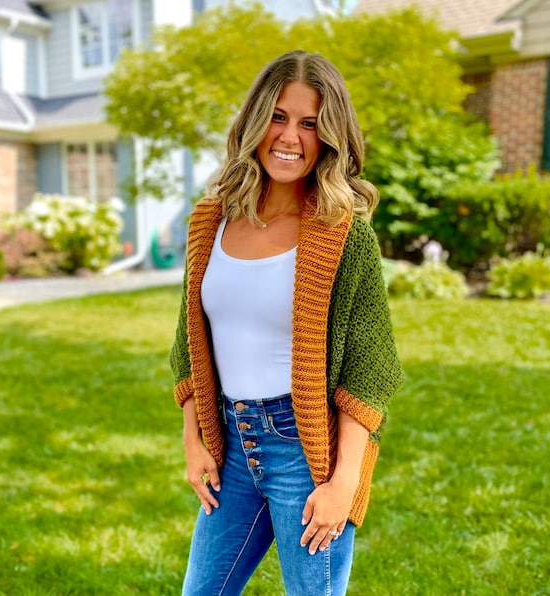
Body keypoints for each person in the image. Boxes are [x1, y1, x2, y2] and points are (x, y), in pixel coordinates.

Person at [170, 50, 404, 595]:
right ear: (255, 122)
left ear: (329, 137)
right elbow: (188, 335)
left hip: (305, 452)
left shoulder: (342, 233)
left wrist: (343, 481)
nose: (290, 137)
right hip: (230, 443)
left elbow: (371, 368)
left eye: (309, 123)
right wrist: (193, 437)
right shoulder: (211, 221)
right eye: (278, 116)